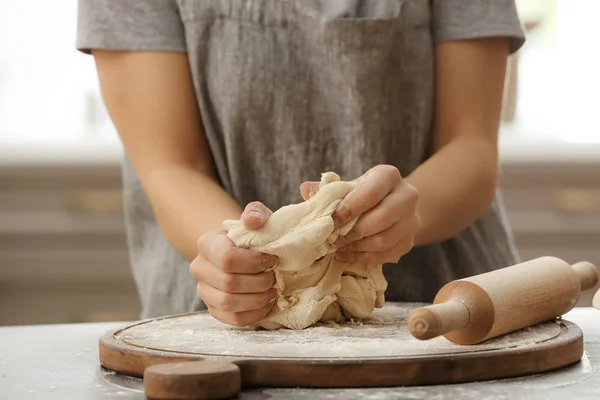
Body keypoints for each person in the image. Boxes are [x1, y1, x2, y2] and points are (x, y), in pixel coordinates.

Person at [77, 0, 525, 327]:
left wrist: (413, 210)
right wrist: (234, 252)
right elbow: (170, 167)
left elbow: (472, 147)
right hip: (220, 322)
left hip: (449, 315)